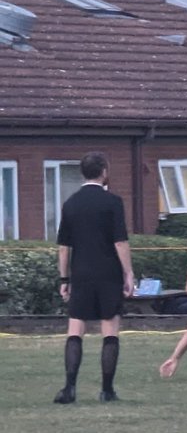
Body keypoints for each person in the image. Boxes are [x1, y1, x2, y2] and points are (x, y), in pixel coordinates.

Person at [54, 151, 135, 403]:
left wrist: (64, 279)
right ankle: (107, 390)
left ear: (82, 173)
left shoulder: (70, 204)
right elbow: (120, 242)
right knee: (109, 329)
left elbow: (63, 247)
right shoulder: (113, 202)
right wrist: (128, 272)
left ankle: (69, 388)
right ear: (104, 172)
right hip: (108, 272)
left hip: (81, 273)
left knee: (75, 328)